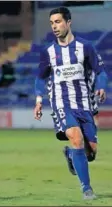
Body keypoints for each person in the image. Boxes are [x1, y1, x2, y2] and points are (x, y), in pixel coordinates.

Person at [33, 7, 108, 200]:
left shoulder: (86, 47)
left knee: (90, 152)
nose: (54, 26)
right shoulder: (48, 52)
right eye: (52, 23)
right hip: (61, 104)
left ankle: (70, 155)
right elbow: (40, 78)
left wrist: (100, 86)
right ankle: (87, 189)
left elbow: (101, 71)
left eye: (58, 22)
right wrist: (39, 100)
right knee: (76, 138)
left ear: (68, 22)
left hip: (85, 104)